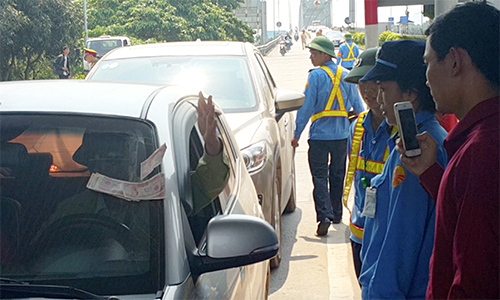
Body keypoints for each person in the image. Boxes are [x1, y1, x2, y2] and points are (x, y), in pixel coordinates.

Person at [36, 92, 229, 249]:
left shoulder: (164, 199)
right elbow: (44, 247)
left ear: (137, 160)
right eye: (103, 159)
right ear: (93, 165)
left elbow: (209, 182)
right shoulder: (72, 209)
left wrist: (211, 143)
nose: (113, 167)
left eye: (121, 158)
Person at [397, 3, 499, 299]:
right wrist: (431, 174)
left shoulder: (482, 152)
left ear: (454, 61)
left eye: (428, 63)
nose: (426, 77)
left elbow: (474, 282)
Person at [357, 40, 448, 299]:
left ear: (411, 94)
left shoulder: (415, 152)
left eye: (384, 89)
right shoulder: (429, 138)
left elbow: (400, 242)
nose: (379, 98)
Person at [292, 36, 363, 236]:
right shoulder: (346, 74)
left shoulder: (315, 77)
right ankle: (337, 214)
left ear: (324, 54)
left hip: (319, 137)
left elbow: (305, 108)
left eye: (314, 53)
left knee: (320, 177)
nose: (311, 57)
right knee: (338, 174)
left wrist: (296, 134)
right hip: (341, 135)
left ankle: (324, 216)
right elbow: (358, 108)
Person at [341, 47, 396, 281]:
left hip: (387, 236)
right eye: (361, 82)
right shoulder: (357, 127)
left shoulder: (400, 129)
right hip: (360, 232)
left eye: (375, 80)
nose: (367, 89)